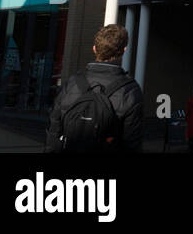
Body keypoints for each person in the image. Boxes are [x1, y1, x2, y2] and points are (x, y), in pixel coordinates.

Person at [45, 24, 144, 153]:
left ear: (94, 49)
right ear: (124, 50)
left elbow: (54, 128)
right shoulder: (130, 90)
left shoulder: (72, 82)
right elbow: (132, 143)